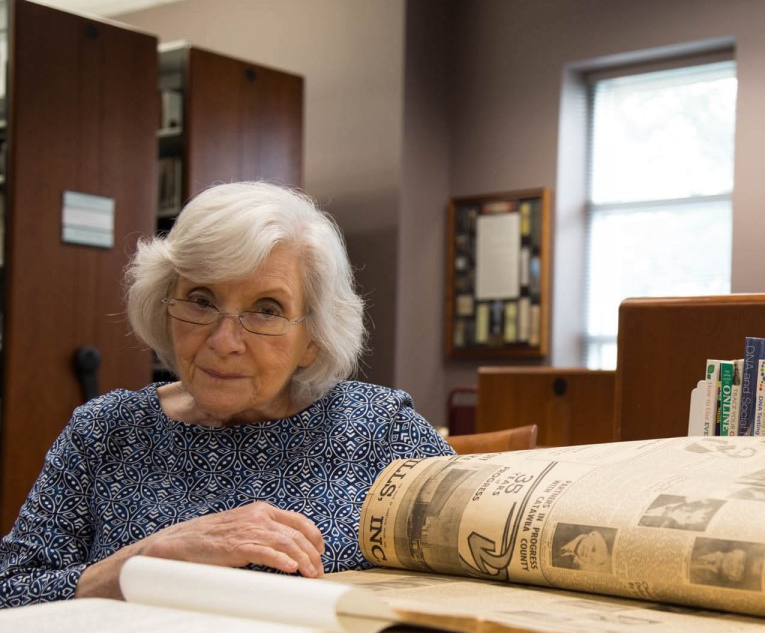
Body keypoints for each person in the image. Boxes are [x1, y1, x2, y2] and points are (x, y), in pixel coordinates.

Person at [0, 181, 451, 607]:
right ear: (164, 304)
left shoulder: (381, 429)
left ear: (312, 337)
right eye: (200, 300)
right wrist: (143, 563)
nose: (223, 341)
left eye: (266, 310)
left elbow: (492, 555)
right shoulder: (105, 431)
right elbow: (11, 591)